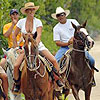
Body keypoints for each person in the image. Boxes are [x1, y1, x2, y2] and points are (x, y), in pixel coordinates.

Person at [12, 2, 64, 93]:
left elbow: (39, 35)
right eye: (30, 10)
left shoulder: (38, 21)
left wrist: (35, 45)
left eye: (33, 9)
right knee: (16, 66)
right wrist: (16, 48)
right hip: (26, 47)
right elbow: (14, 35)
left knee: (53, 60)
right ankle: (17, 84)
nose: (31, 11)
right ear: (26, 11)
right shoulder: (21, 22)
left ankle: (57, 80)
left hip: (37, 46)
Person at [51, 7, 96, 86]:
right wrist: (68, 43)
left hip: (77, 47)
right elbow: (57, 42)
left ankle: (91, 79)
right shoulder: (56, 28)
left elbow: (80, 30)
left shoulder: (73, 21)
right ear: (57, 18)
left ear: (65, 15)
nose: (61, 16)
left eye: (62, 14)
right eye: (58, 15)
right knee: (55, 62)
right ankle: (59, 80)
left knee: (91, 60)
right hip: (65, 48)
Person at [0, 9, 24, 99]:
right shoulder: (7, 25)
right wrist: (13, 25)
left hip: (21, 48)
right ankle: (3, 87)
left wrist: (18, 43)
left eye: (16, 14)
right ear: (10, 16)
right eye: (13, 14)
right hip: (10, 49)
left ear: (18, 15)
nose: (14, 16)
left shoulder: (22, 24)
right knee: (2, 63)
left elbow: (24, 35)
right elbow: (6, 35)